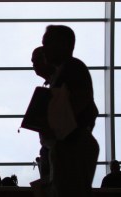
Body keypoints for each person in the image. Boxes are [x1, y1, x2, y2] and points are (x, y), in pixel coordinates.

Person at [42, 25, 99, 197]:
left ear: (64, 44)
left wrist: (57, 127)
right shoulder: (67, 69)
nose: (44, 49)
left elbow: (81, 99)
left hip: (72, 144)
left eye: (47, 43)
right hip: (70, 143)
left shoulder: (72, 67)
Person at [31, 46, 55, 183]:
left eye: (36, 60)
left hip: (58, 148)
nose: (33, 65)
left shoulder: (60, 83)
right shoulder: (54, 84)